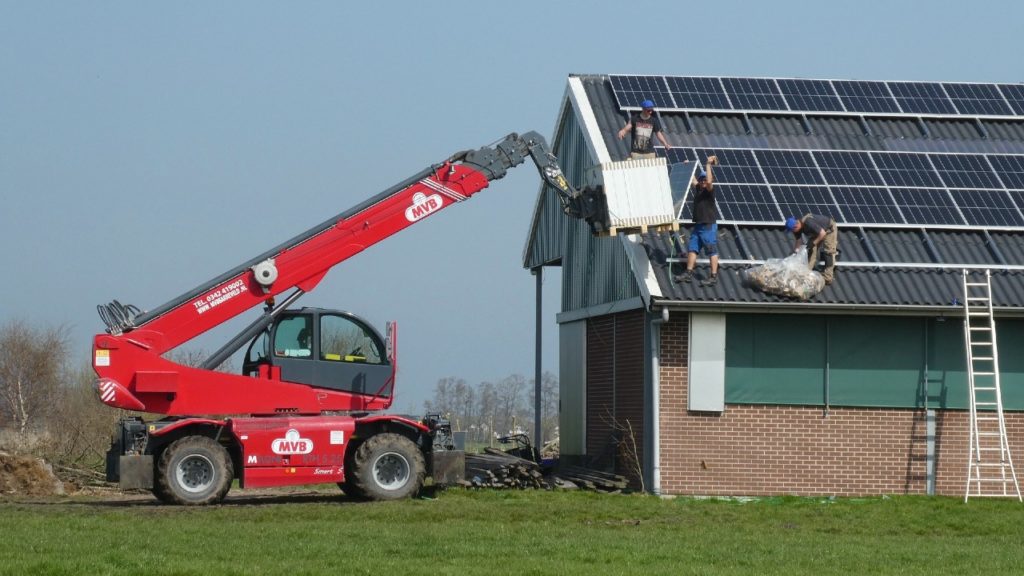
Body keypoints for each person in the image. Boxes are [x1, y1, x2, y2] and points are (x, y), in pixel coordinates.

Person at [674, 155, 720, 286]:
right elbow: (693, 180)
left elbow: (710, 182)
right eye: (702, 179)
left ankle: (713, 276)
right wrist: (689, 167)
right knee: (692, 249)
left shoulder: (709, 191)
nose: (703, 181)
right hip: (699, 226)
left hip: (708, 225)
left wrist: (707, 164)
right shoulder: (699, 189)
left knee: (711, 249)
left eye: (705, 179)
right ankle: (688, 273)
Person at [785, 213, 839, 285]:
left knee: (828, 252)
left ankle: (828, 277)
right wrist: (795, 254)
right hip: (817, 232)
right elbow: (798, 241)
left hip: (829, 229)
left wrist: (813, 243)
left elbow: (822, 234)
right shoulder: (796, 229)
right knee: (810, 250)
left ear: (796, 226)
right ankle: (808, 272)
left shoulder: (808, 222)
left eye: (792, 230)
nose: (792, 232)